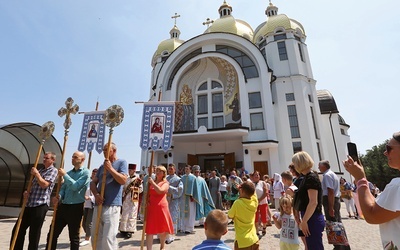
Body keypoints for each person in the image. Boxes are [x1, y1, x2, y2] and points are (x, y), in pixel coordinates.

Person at [343, 131, 400, 249]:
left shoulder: (397, 186)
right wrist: (361, 179)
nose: (385, 153)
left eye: (389, 148)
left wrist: (360, 179)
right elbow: (375, 205)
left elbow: (372, 215)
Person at [10, 152, 58, 250]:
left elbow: (44, 185)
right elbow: (32, 186)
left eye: (47, 158)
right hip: (29, 204)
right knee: (18, 229)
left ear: (53, 160)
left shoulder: (53, 171)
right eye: (44, 158)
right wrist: (27, 193)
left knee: (34, 233)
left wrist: (37, 174)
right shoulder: (40, 170)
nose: (44, 159)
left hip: (40, 204)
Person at [45, 151, 90, 250]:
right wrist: (59, 197)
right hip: (63, 206)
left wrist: (65, 175)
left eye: (75, 157)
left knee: (73, 236)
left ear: (82, 159)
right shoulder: (69, 173)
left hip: (76, 207)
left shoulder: (85, 172)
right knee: (52, 233)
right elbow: (63, 189)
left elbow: (75, 187)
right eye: (72, 157)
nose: (72, 159)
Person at [90, 142, 128, 250]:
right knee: (96, 235)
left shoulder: (121, 162)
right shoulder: (102, 167)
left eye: (107, 150)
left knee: (108, 237)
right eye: (103, 150)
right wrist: (96, 194)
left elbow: (123, 180)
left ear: (114, 151)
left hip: (112, 204)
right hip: (99, 203)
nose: (104, 152)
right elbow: (93, 183)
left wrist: (111, 169)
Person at [291, 151, 325, 250]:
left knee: (315, 246)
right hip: (309, 216)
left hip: (312, 217)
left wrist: (304, 221)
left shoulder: (311, 177)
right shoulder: (307, 177)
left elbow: (313, 202)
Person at [318, 160, 351, 250]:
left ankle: (338, 246)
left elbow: (330, 191)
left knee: (333, 224)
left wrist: (331, 207)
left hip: (330, 200)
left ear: (324, 166)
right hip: (334, 200)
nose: (318, 168)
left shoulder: (327, 175)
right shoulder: (332, 174)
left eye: (319, 166)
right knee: (338, 223)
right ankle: (344, 246)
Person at [145, 166, 174, 250]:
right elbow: (149, 193)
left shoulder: (165, 183)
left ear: (164, 173)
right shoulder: (152, 181)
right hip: (152, 207)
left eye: (160, 171)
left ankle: (162, 246)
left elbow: (160, 191)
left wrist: (153, 184)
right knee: (149, 230)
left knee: (162, 229)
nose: (157, 172)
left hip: (161, 208)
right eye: (157, 171)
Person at [228, 181, 259, 249]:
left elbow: (230, 215)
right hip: (254, 239)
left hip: (242, 241)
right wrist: (242, 187)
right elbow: (253, 193)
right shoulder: (254, 202)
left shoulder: (237, 203)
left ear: (241, 190)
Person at [119, 164, 143, 238]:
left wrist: (134, 189)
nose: (129, 171)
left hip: (133, 199)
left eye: (130, 170)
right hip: (126, 199)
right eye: (128, 170)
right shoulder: (126, 178)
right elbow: (123, 188)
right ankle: (123, 229)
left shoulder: (138, 180)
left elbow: (141, 190)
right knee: (125, 213)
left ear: (134, 171)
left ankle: (130, 230)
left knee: (132, 214)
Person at [166, 163, 183, 244]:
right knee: (164, 218)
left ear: (175, 169)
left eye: (171, 169)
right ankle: (162, 235)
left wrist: (170, 188)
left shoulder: (178, 179)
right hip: (164, 201)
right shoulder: (165, 178)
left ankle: (170, 236)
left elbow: (180, 190)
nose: (170, 170)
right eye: (169, 169)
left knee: (172, 218)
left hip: (173, 201)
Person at [80, 168, 98, 246]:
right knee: (84, 223)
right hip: (86, 205)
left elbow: (98, 195)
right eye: (93, 173)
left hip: (92, 204)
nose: (93, 175)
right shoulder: (88, 182)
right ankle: (89, 234)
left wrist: (90, 197)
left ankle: (87, 238)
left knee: (88, 222)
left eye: (95, 174)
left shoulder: (99, 184)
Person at [252, 171, 272, 236]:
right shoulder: (252, 184)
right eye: (255, 175)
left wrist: (259, 200)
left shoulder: (263, 183)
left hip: (263, 201)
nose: (256, 176)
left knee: (264, 215)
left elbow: (266, 192)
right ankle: (257, 230)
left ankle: (264, 227)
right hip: (255, 203)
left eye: (257, 175)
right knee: (256, 216)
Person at [180, 165, 199, 233]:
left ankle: (190, 227)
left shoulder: (193, 178)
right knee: (183, 212)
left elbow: (196, 188)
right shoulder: (182, 177)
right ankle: (183, 227)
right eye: (185, 169)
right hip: (183, 197)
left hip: (190, 198)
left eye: (187, 169)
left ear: (190, 170)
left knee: (191, 212)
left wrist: (194, 196)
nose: (186, 170)